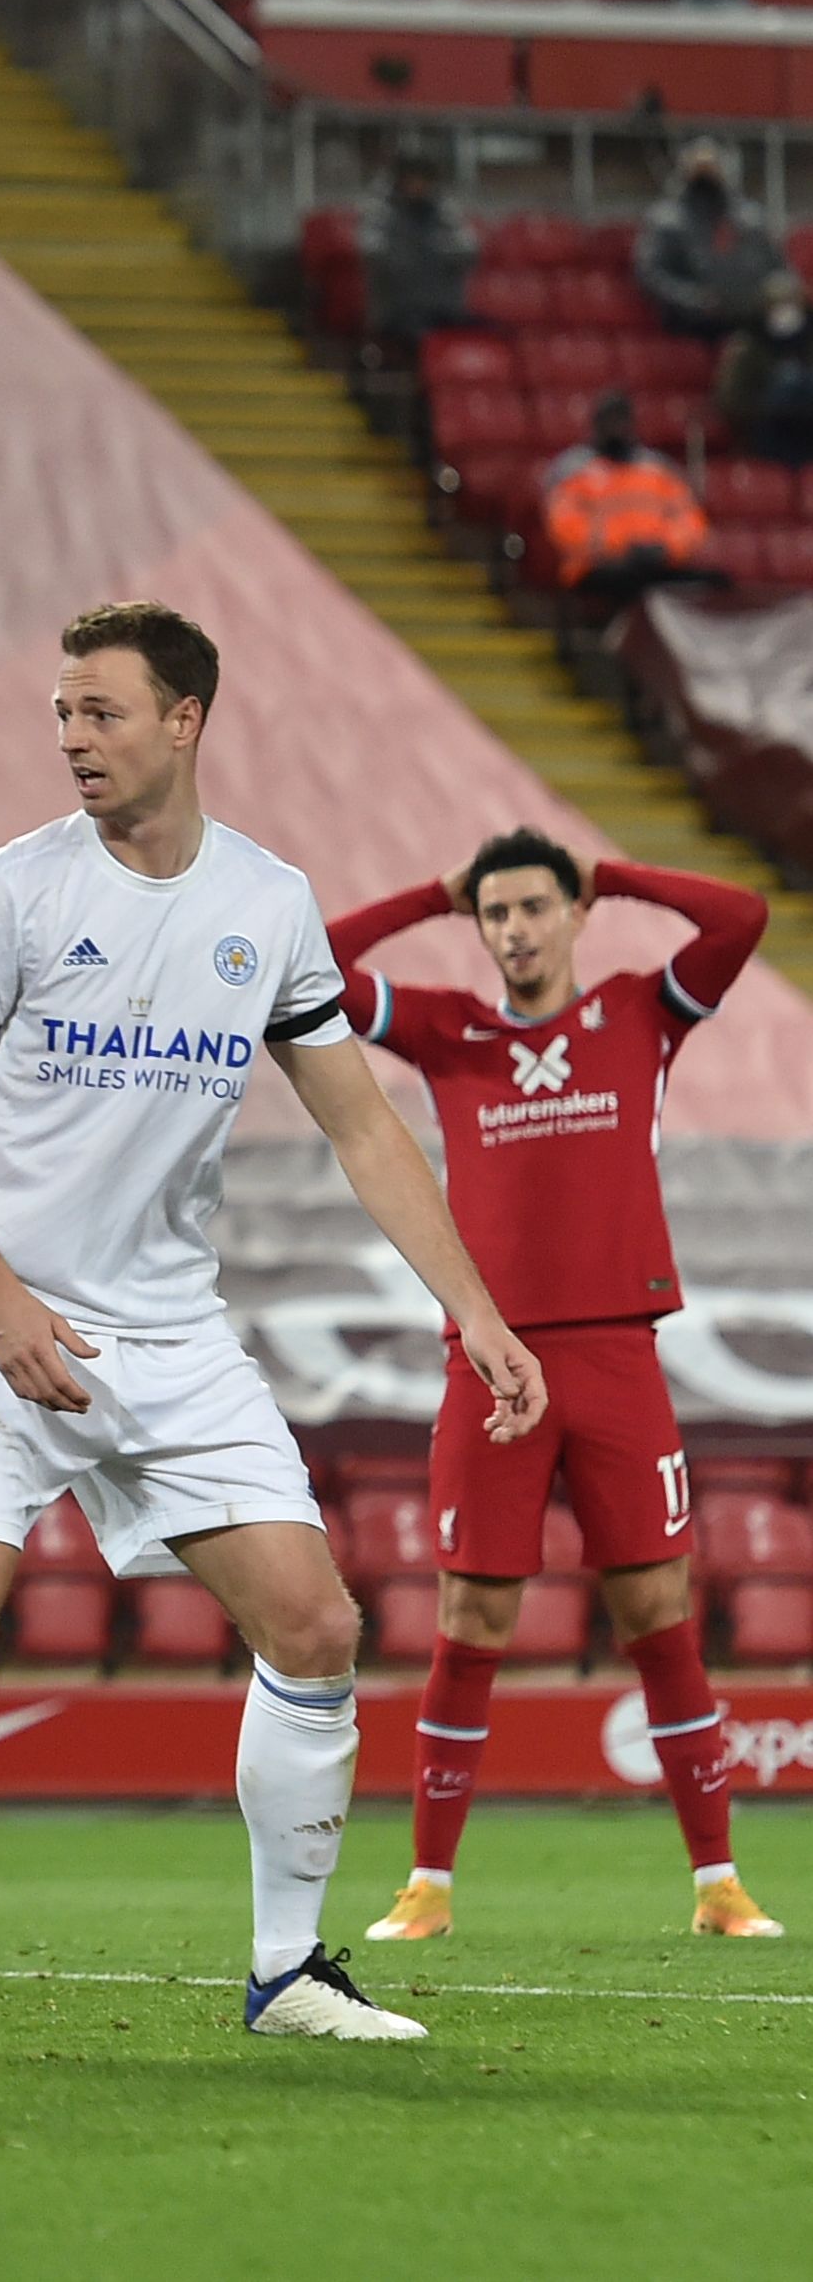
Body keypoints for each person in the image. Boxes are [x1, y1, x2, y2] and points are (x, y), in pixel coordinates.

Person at [0, 603, 547, 2055]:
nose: (72, 738)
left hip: (172, 1332)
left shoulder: (267, 901)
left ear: (184, 721)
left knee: (314, 1624)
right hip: (0, 1315)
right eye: (62, 713)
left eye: (101, 712)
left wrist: (475, 1311)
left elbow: (360, 1125)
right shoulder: (10, 890)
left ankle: (285, 1968)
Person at [332, 832, 781, 1943]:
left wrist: (613, 875)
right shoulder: (448, 1028)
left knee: (658, 1614)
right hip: (489, 1358)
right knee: (470, 1616)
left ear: (573, 914)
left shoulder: (640, 1013)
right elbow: (316, 967)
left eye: (536, 906)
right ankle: (427, 1886)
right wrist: (431, 896)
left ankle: (718, 1882)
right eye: (495, 912)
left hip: (618, 1352)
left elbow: (739, 917)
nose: (515, 929)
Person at [541, 389, 715, 605]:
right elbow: (565, 527)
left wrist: (665, 548)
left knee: (714, 583)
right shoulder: (573, 470)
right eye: (610, 420)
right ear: (596, 424)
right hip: (598, 567)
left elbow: (689, 521)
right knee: (627, 583)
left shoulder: (659, 469)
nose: (617, 427)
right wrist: (623, 550)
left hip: (656, 562)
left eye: (622, 419)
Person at [637, 140, 780, 341]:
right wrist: (694, 299)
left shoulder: (750, 218)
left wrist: (781, 294)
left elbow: (777, 267)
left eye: (711, 167)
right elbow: (652, 275)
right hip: (696, 316)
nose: (706, 174)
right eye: (700, 168)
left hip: (754, 312)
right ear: (685, 172)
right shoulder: (666, 219)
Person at [357, 150, 477, 351]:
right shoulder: (381, 212)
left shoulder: (444, 211)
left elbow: (468, 250)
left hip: (443, 306)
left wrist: (438, 253)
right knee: (423, 338)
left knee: (486, 333)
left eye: (424, 180)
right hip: (397, 310)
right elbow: (373, 253)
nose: (418, 186)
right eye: (412, 180)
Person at [716, 273, 813, 466]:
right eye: (778, 303)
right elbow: (730, 399)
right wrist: (770, 404)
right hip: (767, 429)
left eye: (791, 302)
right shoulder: (747, 345)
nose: (786, 310)